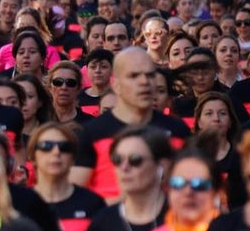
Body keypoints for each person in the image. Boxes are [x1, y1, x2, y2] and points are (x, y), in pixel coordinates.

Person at [72, 47, 190, 201]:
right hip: (110, 222)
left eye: (150, 75)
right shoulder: (92, 132)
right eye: (134, 76)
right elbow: (74, 197)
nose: (144, 82)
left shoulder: (177, 130)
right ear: (116, 85)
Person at [28, 122, 106, 231]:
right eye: (46, 146)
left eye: (64, 147)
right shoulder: (20, 202)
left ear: (73, 157)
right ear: (33, 156)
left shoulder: (93, 203)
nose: (56, 152)